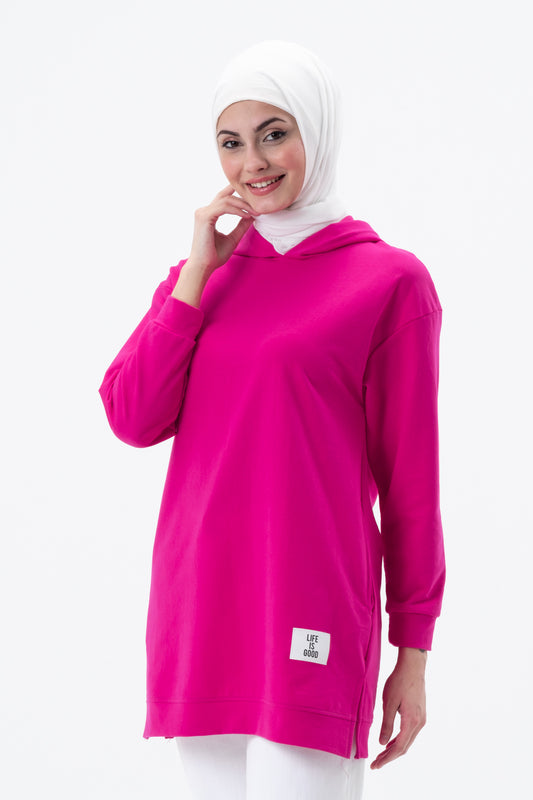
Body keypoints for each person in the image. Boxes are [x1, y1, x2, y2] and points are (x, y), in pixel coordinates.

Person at [98, 40, 445, 800]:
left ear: (316, 132)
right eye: (230, 142)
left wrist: (411, 654)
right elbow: (132, 416)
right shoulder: (200, 279)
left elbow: (411, 485)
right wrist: (197, 272)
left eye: (274, 133)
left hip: (310, 611)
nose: (251, 162)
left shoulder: (389, 282)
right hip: (200, 611)